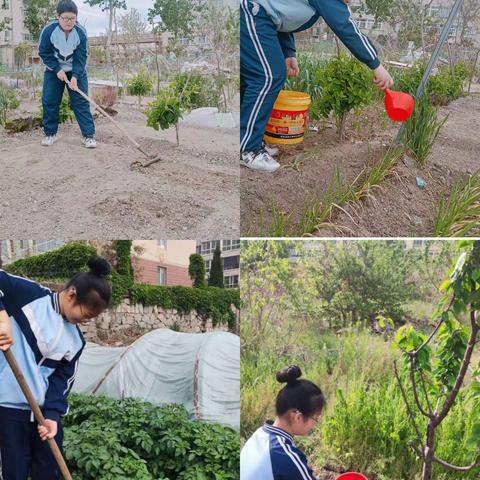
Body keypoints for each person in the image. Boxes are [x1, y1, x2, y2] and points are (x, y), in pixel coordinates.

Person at [240, 0, 395, 172]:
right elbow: (345, 27)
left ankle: (250, 140)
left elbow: (281, 13)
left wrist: (288, 52)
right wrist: (376, 65)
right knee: (268, 77)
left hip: (262, 18)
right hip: (253, 13)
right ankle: (248, 149)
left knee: (263, 78)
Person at [0, 256, 112, 480]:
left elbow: (62, 381)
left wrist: (52, 416)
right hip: (9, 410)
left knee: (49, 473)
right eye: (85, 315)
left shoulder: (76, 342)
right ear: (71, 294)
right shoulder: (29, 296)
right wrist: (2, 316)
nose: (85, 322)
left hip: (44, 418)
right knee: (14, 473)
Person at [240, 365, 326, 479]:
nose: (315, 424)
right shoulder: (286, 456)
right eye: (316, 418)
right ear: (297, 417)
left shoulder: (259, 434)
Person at [38, 0, 97, 149]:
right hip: (54, 70)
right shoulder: (48, 31)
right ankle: (50, 133)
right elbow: (44, 52)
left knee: (81, 103)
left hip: (76, 71)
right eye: (66, 18)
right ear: (58, 16)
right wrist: (57, 70)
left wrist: (75, 77)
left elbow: (81, 57)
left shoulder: (80, 33)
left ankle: (88, 136)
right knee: (50, 101)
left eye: (73, 18)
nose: (69, 22)